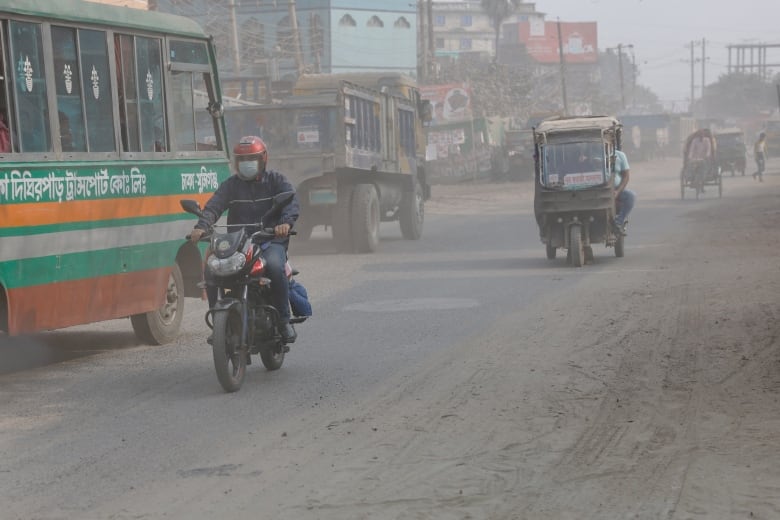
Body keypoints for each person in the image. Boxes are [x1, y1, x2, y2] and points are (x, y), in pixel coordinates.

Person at [189, 136, 300, 343]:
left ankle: (284, 321)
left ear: (263, 159)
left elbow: (291, 202)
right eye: (242, 160)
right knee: (211, 270)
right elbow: (214, 206)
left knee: (275, 266)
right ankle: (218, 324)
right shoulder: (231, 185)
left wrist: (285, 223)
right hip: (237, 243)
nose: (246, 163)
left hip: (269, 240)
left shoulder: (276, 180)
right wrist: (201, 226)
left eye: (252, 159)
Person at [612, 147, 635, 235]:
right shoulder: (589, 155)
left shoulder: (620, 155)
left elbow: (626, 176)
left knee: (630, 196)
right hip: (595, 190)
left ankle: (618, 222)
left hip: (616, 190)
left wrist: (617, 191)